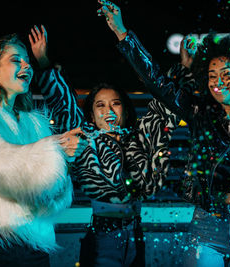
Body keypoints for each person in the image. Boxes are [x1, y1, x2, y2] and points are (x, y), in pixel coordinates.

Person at [97, 0, 230, 266]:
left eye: (227, 74)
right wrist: (122, 33)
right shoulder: (199, 114)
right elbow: (157, 82)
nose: (218, 82)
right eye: (212, 75)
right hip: (208, 227)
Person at [29, 25, 180, 266]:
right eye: (100, 105)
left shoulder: (137, 136)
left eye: (115, 104)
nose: (109, 111)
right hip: (103, 237)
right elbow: (62, 101)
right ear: (91, 114)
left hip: (136, 234)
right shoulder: (86, 135)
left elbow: (166, 100)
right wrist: (44, 61)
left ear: (125, 109)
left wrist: (180, 70)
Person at [0, 31, 87, 267]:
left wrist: (64, 161)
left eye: (27, 61)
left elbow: (53, 189)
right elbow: (3, 169)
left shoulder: (34, 122)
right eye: (16, 60)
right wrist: (56, 150)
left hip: (35, 247)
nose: (26, 66)